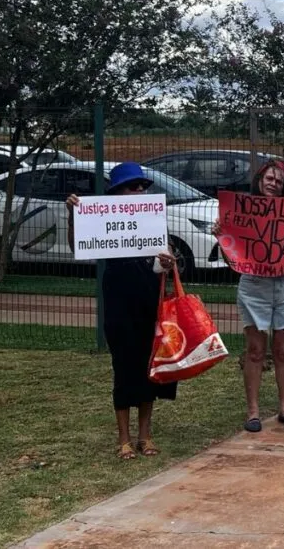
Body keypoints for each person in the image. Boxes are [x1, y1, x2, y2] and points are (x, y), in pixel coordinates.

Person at [66, 162, 177, 460]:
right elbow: (79, 248)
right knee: (123, 366)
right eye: (132, 187)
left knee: (149, 368)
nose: (139, 191)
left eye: (142, 187)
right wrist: (74, 216)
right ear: (116, 193)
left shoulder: (154, 222)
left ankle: (145, 435)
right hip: (118, 298)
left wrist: (168, 262)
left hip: (149, 298)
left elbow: (164, 262)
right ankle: (124, 438)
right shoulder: (102, 222)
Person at [215, 159, 284, 433]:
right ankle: (253, 412)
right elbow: (233, 258)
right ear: (258, 180)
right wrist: (222, 237)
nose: (273, 184)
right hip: (254, 284)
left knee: (283, 350)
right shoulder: (241, 212)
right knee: (255, 351)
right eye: (269, 178)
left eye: (279, 181)